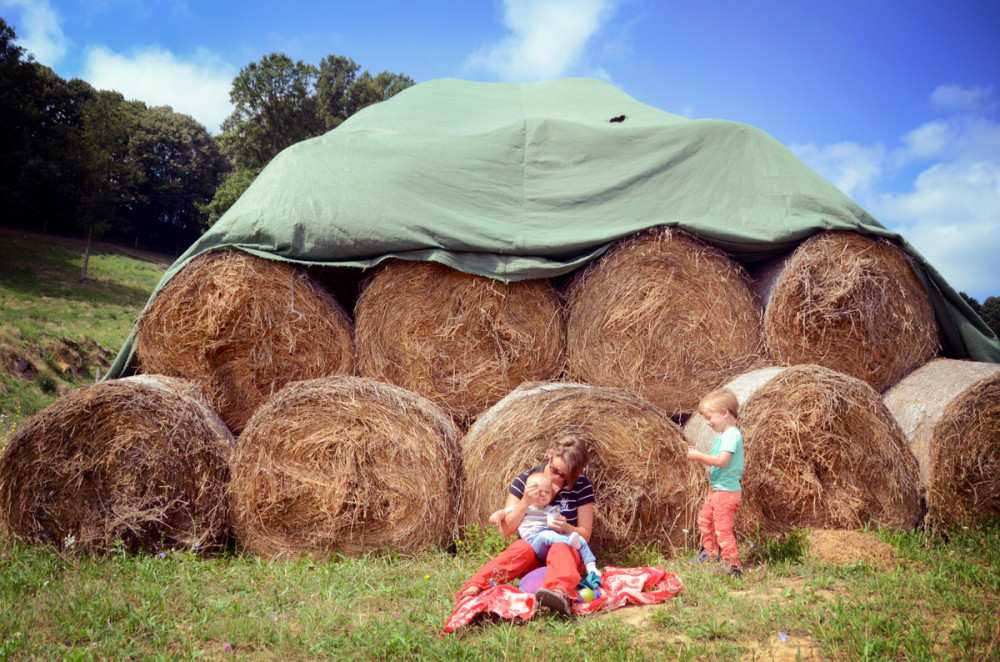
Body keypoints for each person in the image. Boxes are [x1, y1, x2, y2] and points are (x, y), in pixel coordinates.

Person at [455, 433, 595, 616]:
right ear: (550, 453)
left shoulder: (581, 485)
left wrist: (566, 528)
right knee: (521, 548)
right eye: (555, 471)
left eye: (565, 476)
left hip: (566, 559)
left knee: (560, 545)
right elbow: (504, 531)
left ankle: (559, 595)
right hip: (531, 554)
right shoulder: (525, 481)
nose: (557, 479)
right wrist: (524, 503)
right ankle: (473, 590)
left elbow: (585, 534)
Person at [494, 470, 601, 578]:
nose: (543, 495)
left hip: (551, 539)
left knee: (578, 539)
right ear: (529, 492)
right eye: (539, 492)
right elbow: (504, 512)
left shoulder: (551, 509)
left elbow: (563, 525)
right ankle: (569, 542)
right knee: (547, 536)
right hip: (533, 539)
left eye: (548, 492)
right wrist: (497, 516)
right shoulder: (524, 507)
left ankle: (591, 565)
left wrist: (562, 524)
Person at [687, 388, 744, 577]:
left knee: (723, 529)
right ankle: (710, 553)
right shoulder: (725, 436)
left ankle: (732, 565)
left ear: (725, 412)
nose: (708, 423)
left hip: (726, 493)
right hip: (718, 491)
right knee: (704, 519)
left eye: (710, 418)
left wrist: (698, 456)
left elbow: (721, 461)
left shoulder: (731, 435)